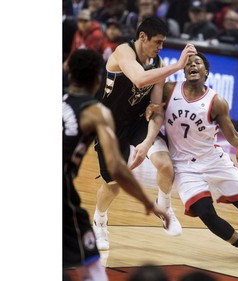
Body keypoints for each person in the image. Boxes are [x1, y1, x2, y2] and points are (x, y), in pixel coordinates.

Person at [147, 52, 238, 271]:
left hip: (212, 160)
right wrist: (149, 110)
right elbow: (151, 109)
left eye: (197, 63)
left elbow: (234, 136)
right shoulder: (170, 90)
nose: (192, 65)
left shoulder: (216, 102)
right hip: (184, 166)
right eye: (188, 64)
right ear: (183, 70)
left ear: (206, 72)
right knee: (205, 213)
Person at [63, 49, 170, 281]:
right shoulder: (96, 112)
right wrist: (148, 202)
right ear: (98, 80)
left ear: (68, 73)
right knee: (92, 270)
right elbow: (118, 169)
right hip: (63, 196)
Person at [92, 16, 197, 250]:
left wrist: (147, 143)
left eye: (163, 43)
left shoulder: (158, 64)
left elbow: (157, 111)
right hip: (109, 125)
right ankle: (99, 221)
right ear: (142, 37)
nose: (160, 48)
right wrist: (178, 66)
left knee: (165, 165)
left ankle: (165, 207)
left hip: (138, 120)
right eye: (157, 42)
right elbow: (139, 80)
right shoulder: (123, 52)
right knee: (114, 184)